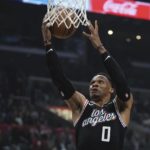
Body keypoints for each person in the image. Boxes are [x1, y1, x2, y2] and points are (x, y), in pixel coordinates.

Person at [41, 17, 134, 150]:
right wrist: (47, 44)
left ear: (111, 89)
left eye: (101, 82)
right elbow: (60, 80)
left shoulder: (120, 108)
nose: (94, 84)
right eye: (92, 83)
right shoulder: (82, 107)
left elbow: (122, 83)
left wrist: (101, 48)